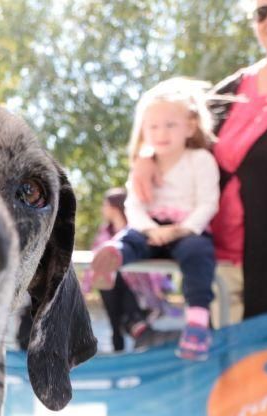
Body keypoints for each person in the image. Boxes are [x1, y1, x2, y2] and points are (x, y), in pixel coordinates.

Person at [131, 0, 267, 321]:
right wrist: (147, 157)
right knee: (228, 370)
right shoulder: (233, 87)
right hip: (219, 273)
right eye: (262, 11)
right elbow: (177, 129)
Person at [91, 78, 220, 361]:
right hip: (150, 228)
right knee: (129, 240)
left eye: (170, 125)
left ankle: (197, 321)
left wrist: (183, 229)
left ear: (190, 127)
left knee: (199, 256)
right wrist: (150, 229)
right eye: (153, 126)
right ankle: (110, 259)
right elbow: (133, 204)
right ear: (143, 131)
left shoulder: (200, 160)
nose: (161, 133)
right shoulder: (142, 165)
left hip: (187, 230)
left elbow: (208, 202)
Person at [82, 188, 179, 352]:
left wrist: (160, 285)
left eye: (105, 206)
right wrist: (84, 289)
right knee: (111, 279)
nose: (102, 210)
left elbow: (153, 258)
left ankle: (136, 329)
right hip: (114, 290)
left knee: (117, 281)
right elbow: (96, 261)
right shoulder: (104, 234)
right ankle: (137, 331)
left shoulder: (136, 232)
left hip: (140, 291)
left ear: (114, 207)